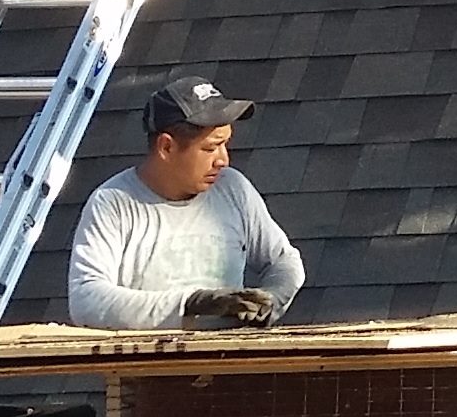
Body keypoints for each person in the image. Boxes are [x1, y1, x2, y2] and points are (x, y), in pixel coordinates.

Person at [68, 74, 306, 330]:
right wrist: (191, 304)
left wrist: (270, 300)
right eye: (210, 148)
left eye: (225, 144)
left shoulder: (232, 188)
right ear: (166, 147)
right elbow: (87, 299)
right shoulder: (114, 205)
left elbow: (284, 261)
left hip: (229, 363)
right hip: (146, 365)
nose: (223, 160)